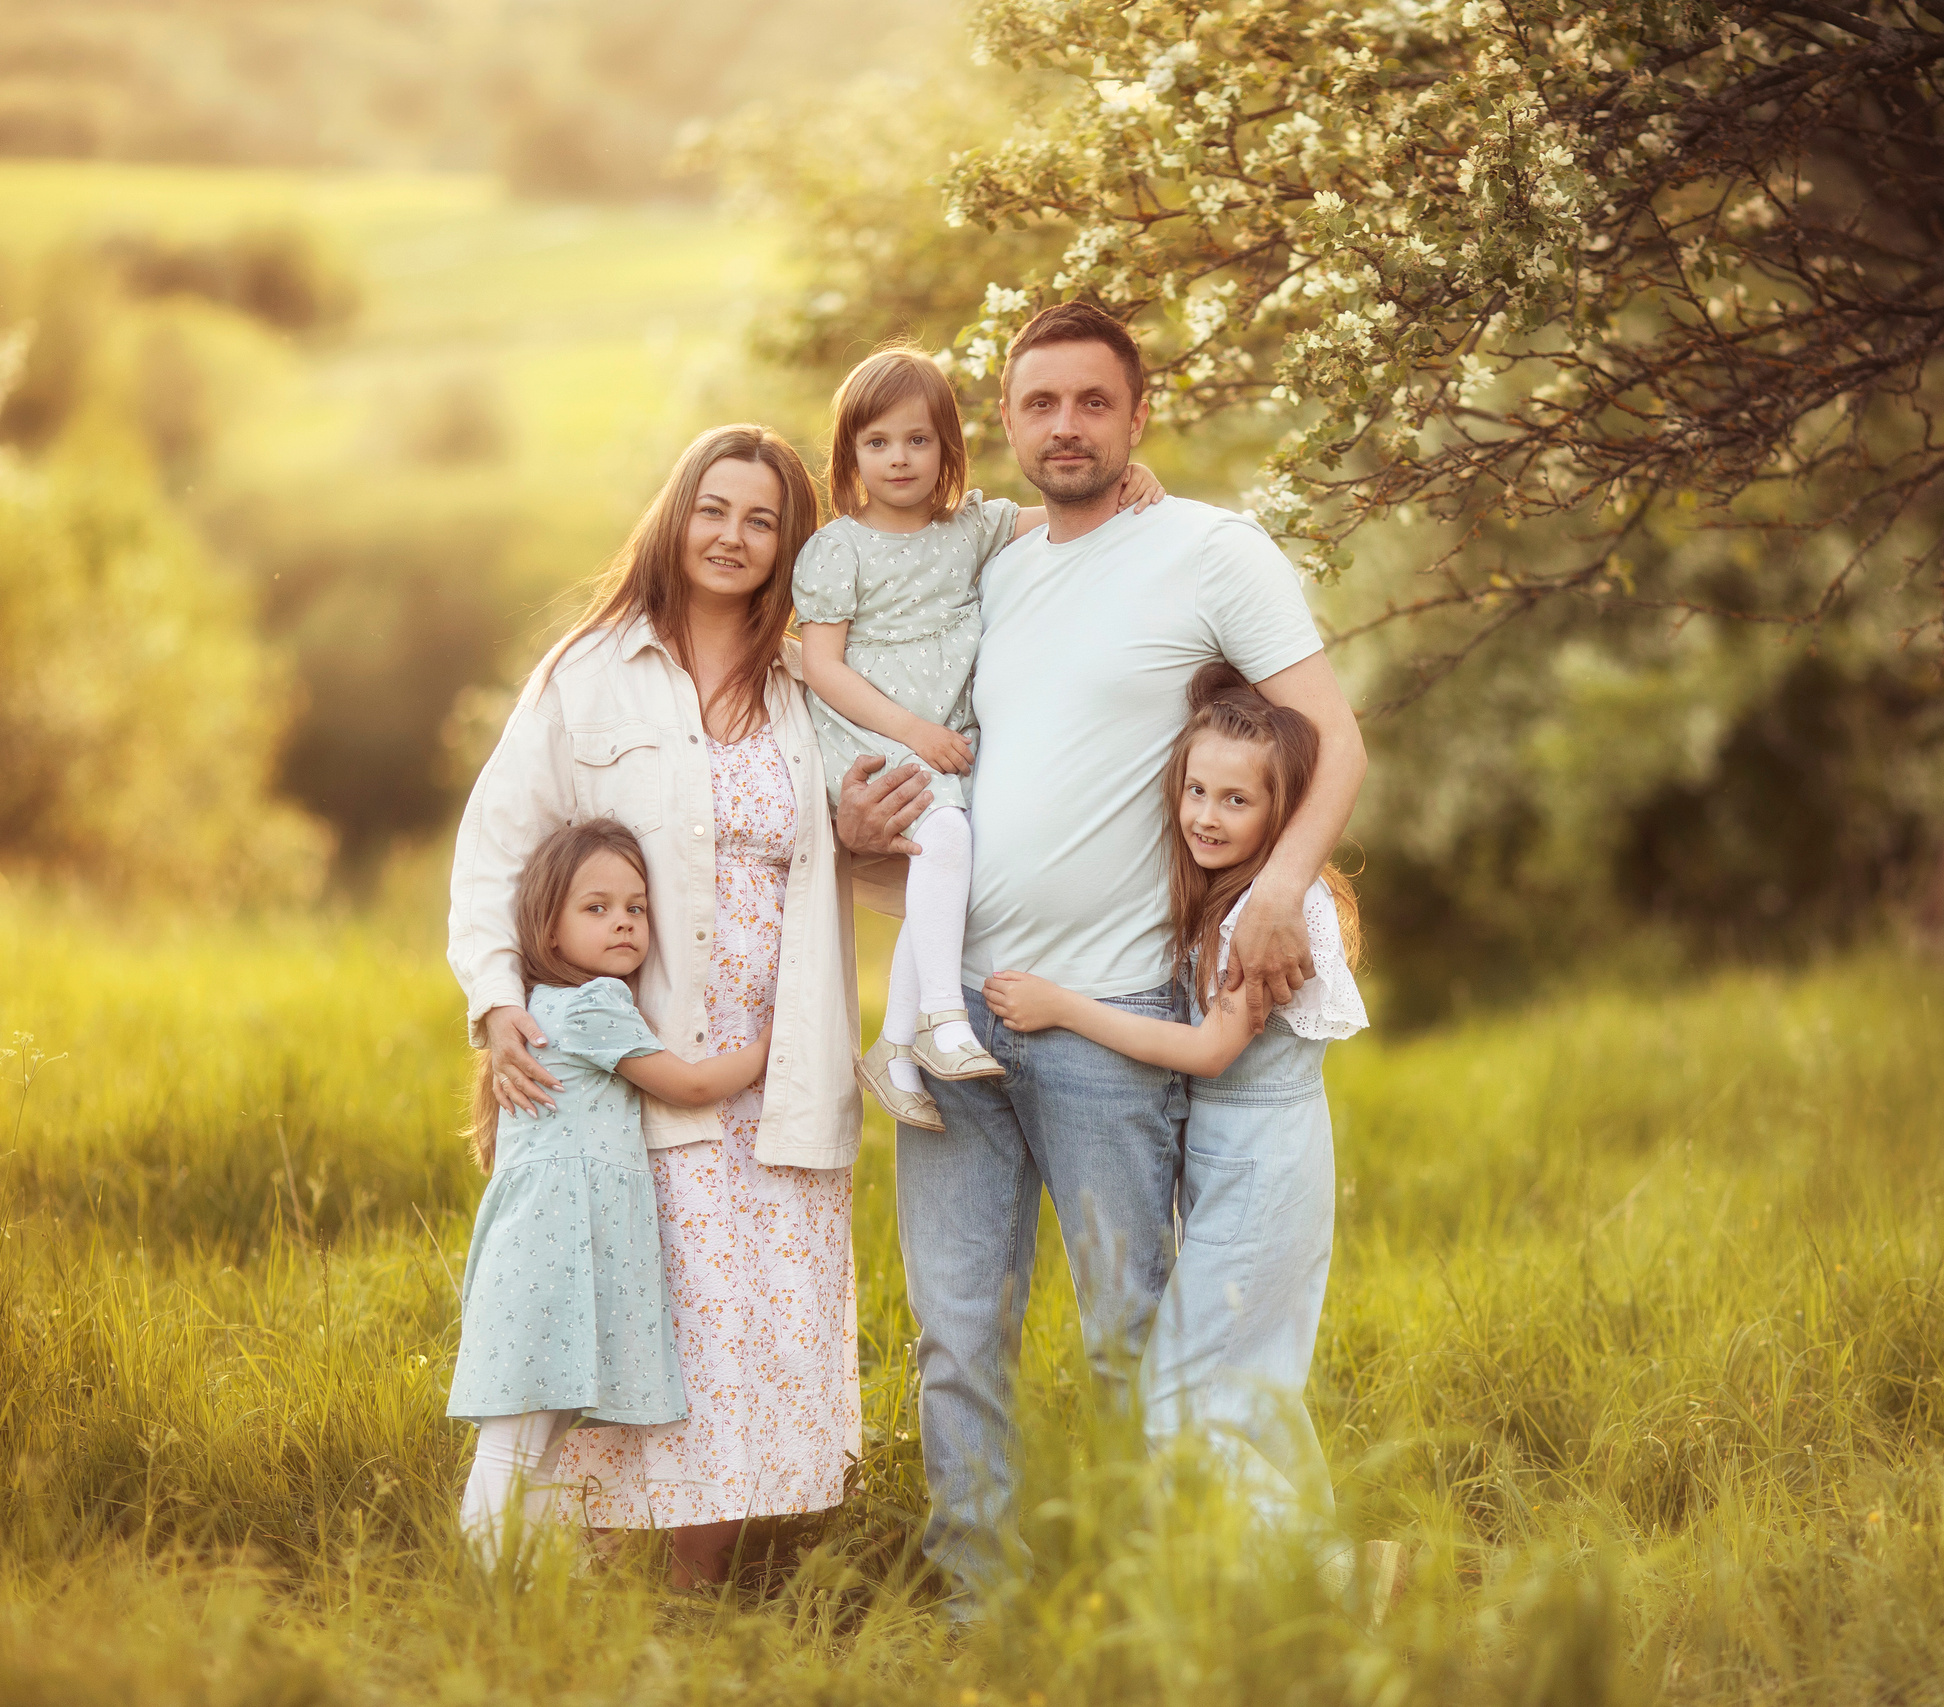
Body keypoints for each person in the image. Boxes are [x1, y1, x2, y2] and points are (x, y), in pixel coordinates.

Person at [832, 302, 1367, 1614]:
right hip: (955, 1009)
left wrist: (1284, 886)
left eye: (1090, 401)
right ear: (1003, 424)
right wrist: (853, 836)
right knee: (957, 1334)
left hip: (1110, 1020)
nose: (1063, 425)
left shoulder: (1208, 549)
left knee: (1133, 1332)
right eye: (1037, 403)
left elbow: (1334, 740)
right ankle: (982, 1602)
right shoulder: (989, 562)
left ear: (1138, 415)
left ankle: (1161, 1594)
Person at [449, 424, 885, 1589]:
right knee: (640, 1315)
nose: (734, 538)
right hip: (636, 1064)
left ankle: (698, 1594)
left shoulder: (813, 687)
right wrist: (496, 1005)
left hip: (778, 1061)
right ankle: (584, 1585)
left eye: (762, 520)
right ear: (676, 517)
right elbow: (495, 849)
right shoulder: (587, 672)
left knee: (748, 1336)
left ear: (790, 543)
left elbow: (876, 846)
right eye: (715, 509)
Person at [983, 662, 1366, 1559]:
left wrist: (1064, 1006)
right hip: (1247, 1166)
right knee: (1251, 1384)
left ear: (1285, 813)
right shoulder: (1228, 897)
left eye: (1236, 800)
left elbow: (1210, 1051)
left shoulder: (1268, 914)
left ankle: (1324, 1580)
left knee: (1184, 1394)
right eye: (1196, 789)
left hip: (1264, 1175)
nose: (1205, 814)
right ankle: (1296, 1572)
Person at [792, 343, 1161, 1131]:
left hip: (940, 742)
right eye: (878, 442)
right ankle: (938, 1020)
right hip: (869, 732)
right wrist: (913, 732)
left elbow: (1059, 512)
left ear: (947, 449)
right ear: (850, 452)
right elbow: (822, 667)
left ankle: (893, 1047)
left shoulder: (969, 532)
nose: (899, 458)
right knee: (949, 834)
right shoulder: (837, 548)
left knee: (949, 868)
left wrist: (1135, 480)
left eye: (918, 440)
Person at [448, 817, 772, 1565]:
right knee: (515, 1443)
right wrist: (767, 1046)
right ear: (549, 929)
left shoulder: (545, 1004)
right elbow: (688, 1084)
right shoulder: (591, 1004)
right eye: (595, 907)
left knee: (531, 1440)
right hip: (552, 1256)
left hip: (547, 1253)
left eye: (635, 905)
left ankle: (515, 1587)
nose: (623, 920)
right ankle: (483, 1592)